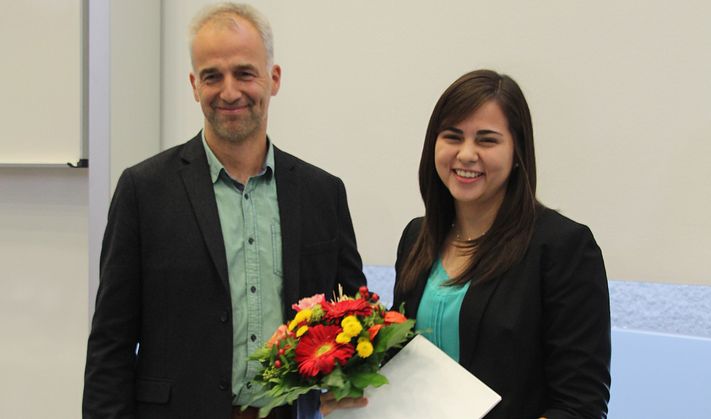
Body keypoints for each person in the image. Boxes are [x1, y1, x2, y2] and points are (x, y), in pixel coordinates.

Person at [83, 3, 365, 419]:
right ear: (194, 85)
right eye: (212, 76)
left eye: (244, 73)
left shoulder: (323, 193)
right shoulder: (143, 191)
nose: (229, 91)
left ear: (273, 79)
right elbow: (111, 343)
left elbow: (353, 319)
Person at [392, 69, 611, 418]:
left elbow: (579, 405)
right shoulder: (417, 237)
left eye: (487, 140)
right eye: (453, 136)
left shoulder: (563, 247)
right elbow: (401, 365)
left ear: (518, 151)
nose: (466, 154)